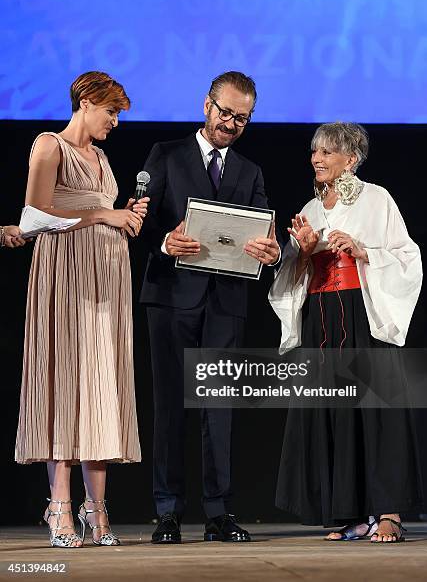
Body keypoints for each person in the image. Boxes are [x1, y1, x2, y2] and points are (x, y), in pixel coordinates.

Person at [141, 71, 280, 543]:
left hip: (225, 303)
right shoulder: (166, 155)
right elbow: (137, 222)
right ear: (206, 104)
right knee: (170, 407)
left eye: (243, 118)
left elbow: (265, 234)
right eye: (226, 112)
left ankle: (219, 514)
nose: (231, 123)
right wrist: (164, 241)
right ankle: (167, 513)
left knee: (218, 408)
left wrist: (271, 251)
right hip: (171, 298)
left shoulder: (250, 171)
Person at [269, 122, 422, 543]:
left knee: (375, 412)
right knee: (334, 411)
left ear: (350, 159)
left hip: (361, 313)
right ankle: (351, 511)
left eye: (326, 152)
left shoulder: (376, 199)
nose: (316, 158)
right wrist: (300, 251)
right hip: (321, 314)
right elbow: (294, 273)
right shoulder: (312, 208)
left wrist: (362, 250)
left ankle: (388, 513)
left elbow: (407, 256)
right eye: (314, 151)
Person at [15, 71, 149, 548]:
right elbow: (34, 217)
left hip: (107, 277)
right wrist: (102, 215)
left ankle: (98, 510)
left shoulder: (103, 156)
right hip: (66, 275)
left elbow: (98, 208)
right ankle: (59, 508)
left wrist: (124, 215)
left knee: (100, 384)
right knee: (65, 381)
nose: (115, 121)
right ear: (86, 101)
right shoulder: (49, 145)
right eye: (111, 111)